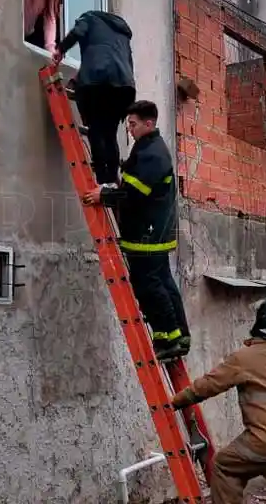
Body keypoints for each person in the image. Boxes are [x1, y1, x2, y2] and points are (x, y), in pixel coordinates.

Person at [171, 297, 266, 504]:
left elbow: (207, 385)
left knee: (224, 466)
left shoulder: (245, 358)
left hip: (262, 443)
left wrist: (174, 402)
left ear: (260, 323)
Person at [82, 100, 190, 361]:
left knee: (149, 285)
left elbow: (134, 194)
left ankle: (170, 337)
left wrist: (103, 194)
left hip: (147, 232)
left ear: (148, 123)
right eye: (128, 123)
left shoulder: (152, 153)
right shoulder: (148, 149)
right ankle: (178, 336)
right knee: (162, 281)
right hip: (153, 231)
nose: (129, 128)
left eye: (133, 124)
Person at [52, 10, 136, 186]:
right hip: (124, 87)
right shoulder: (120, 33)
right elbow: (121, 61)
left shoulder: (89, 18)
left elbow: (77, 33)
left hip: (98, 82)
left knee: (96, 127)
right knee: (110, 132)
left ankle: (102, 180)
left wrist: (60, 49)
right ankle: (112, 177)